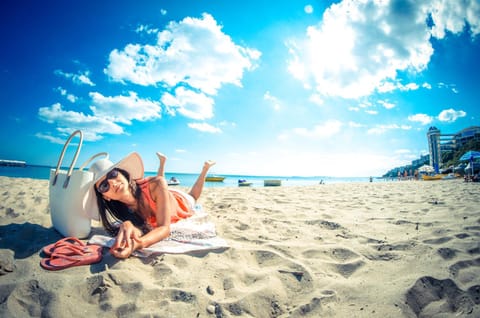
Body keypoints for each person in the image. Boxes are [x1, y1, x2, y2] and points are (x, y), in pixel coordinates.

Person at [87, 151, 215, 259]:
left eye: (113, 174)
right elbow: (139, 228)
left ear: (121, 173)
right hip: (159, 194)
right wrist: (127, 225)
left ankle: (205, 169)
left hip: (179, 201)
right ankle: (163, 163)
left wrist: (137, 244)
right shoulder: (122, 209)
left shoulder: (155, 184)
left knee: (193, 196)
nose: (113, 183)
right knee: (160, 185)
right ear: (106, 197)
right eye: (104, 185)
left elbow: (164, 228)